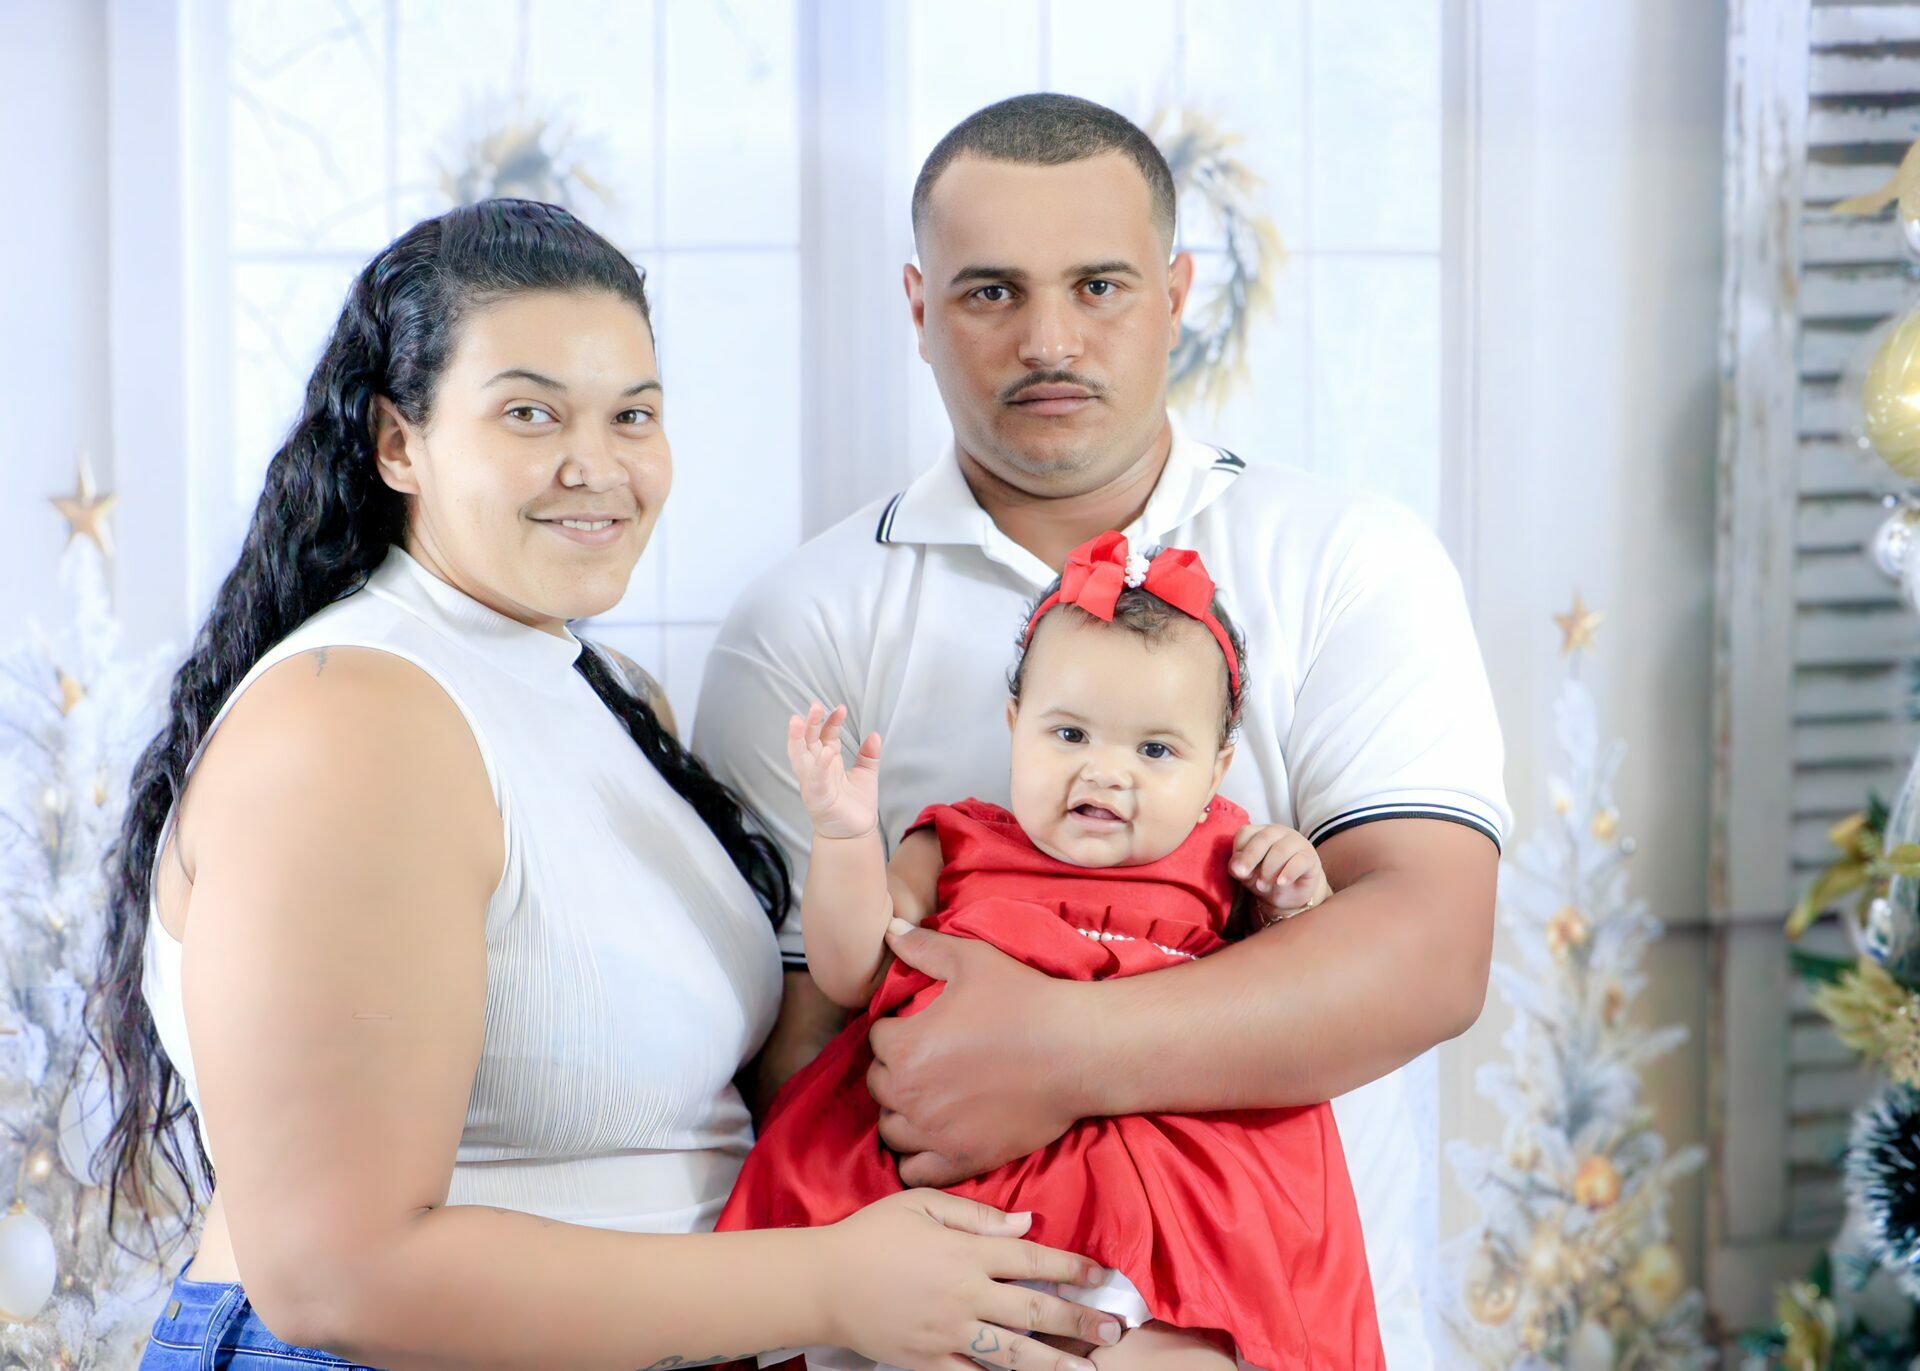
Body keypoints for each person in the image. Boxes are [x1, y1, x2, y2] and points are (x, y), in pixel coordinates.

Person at [93, 198, 1116, 1371]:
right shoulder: (354, 718)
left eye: (632, 414)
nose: (598, 466)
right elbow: (338, 1275)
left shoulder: (608, 693)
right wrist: (830, 1284)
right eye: (529, 413)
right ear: (398, 444)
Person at [695, 95, 1510, 1369]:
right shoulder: (803, 624)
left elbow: (1428, 952)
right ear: (917, 307)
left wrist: (1057, 1053)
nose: (1049, 340)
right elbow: (790, 1046)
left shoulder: (1351, 559)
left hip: (1253, 1320)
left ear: (1175, 293)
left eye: (1099, 286)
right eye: (990, 293)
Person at [718, 531, 1385, 1371]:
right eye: (1069, 734)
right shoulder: (953, 845)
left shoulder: (1228, 858)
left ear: (1216, 771)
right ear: (1014, 727)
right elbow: (852, 970)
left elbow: (1292, 998)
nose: (1105, 772)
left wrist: (1293, 897)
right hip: (967, 1202)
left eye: (1154, 750)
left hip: (1173, 1208)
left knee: (1185, 1348)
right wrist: (845, 839)